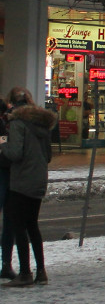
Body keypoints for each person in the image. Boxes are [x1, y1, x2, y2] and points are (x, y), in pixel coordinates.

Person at [0, 86, 55, 287]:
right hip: (38, 180)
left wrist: (2, 142)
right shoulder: (42, 124)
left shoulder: (17, 124)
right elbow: (48, 156)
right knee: (32, 225)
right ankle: (41, 271)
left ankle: (24, 273)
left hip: (21, 180)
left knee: (18, 225)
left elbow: (14, 153)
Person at [0, 93, 13, 280]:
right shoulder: (2, 127)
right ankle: (6, 263)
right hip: (3, 175)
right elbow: (4, 149)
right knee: (9, 222)